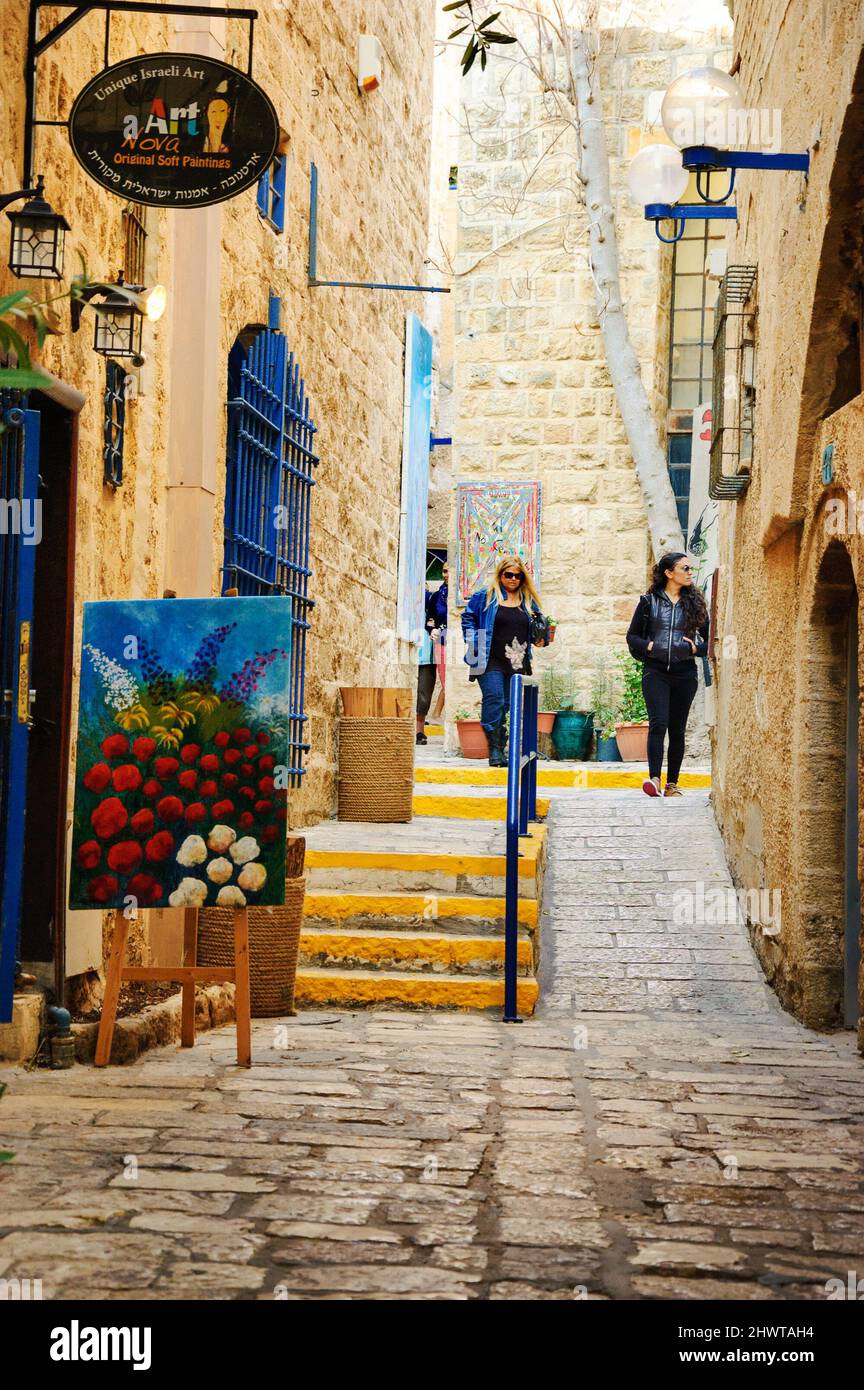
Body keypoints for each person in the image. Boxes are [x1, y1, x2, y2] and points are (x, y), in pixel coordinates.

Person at [626, 552, 709, 798]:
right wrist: (650, 646)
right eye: (685, 568)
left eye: (690, 568)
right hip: (656, 670)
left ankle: (672, 784)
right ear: (669, 573)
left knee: (677, 729)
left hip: (685, 673)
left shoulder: (695, 603)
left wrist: (695, 648)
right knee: (658, 723)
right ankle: (654, 779)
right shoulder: (648, 601)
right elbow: (632, 636)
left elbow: (709, 640)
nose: (690, 572)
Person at [461, 554, 546, 767]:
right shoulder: (486, 596)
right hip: (488, 658)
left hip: (517, 661)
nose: (513, 579)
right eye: (509, 575)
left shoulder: (528, 601)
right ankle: (495, 750)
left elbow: (539, 627)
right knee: (495, 699)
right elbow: (468, 616)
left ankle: (501, 745)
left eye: (518, 576)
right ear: (500, 575)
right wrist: (473, 641)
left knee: (507, 704)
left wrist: (542, 634)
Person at [427, 563, 448, 721]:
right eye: (444, 571)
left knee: (452, 682)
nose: (447, 574)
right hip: (441, 642)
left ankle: (436, 715)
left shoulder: (465, 595)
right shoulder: (436, 596)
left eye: (450, 571)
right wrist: (431, 631)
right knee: (446, 681)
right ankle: (436, 716)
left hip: (459, 642)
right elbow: (430, 620)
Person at [415, 621, 437, 745]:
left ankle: (419, 731)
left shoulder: (435, 601)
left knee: (424, 696)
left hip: (428, 656)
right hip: (406, 649)